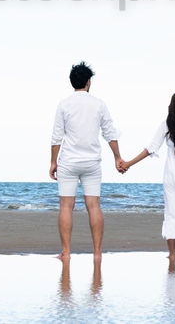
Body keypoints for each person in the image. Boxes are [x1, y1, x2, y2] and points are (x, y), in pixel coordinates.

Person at [120, 92, 175, 270]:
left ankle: (172, 254)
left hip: (171, 175)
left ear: (172, 107)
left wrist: (128, 163)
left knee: (172, 213)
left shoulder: (166, 125)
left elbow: (151, 148)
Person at [49, 61, 125, 263]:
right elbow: (110, 132)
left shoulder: (64, 104)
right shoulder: (99, 104)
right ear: (89, 82)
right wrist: (117, 157)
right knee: (93, 205)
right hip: (91, 162)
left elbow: (57, 137)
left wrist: (53, 162)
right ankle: (97, 252)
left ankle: (66, 251)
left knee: (66, 206)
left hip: (69, 161)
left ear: (72, 82)